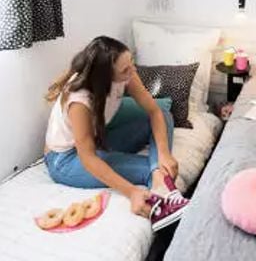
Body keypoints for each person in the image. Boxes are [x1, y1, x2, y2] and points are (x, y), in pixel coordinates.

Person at [44, 36, 189, 231]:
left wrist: (163, 153)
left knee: (163, 115)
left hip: (98, 140)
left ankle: (158, 177)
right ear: (104, 78)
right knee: (148, 170)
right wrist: (132, 192)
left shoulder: (126, 72)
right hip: (67, 160)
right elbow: (88, 158)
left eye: (132, 63)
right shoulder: (80, 101)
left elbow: (154, 111)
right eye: (125, 70)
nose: (133, 71)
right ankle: (160, 190)